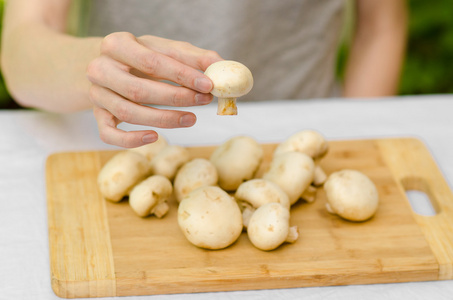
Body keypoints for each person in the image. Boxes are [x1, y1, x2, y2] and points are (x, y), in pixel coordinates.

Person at [1, 0, 407, 148]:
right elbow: (21, 49)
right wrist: (94, 67)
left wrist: (357, 134)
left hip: (306, 134)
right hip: (134, 144)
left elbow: (381, 27)